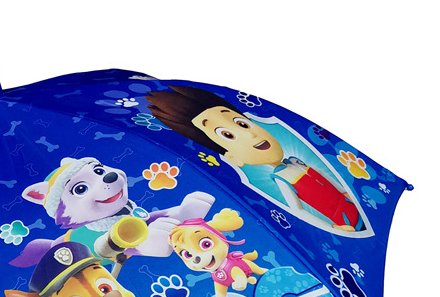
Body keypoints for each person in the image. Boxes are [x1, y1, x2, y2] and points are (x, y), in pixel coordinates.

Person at [147, 85, 362, 231]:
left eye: (242, 124)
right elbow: (298, 211)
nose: (250, 135)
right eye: (228, 135)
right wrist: (331, 228)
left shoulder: (297, 162)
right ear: (233, 158)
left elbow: (323, 175)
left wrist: (345, 191)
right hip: (343, 222)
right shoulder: (282, 179)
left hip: (352, 204)